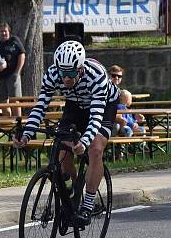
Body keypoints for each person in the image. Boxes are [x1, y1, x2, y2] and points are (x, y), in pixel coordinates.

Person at [14, 40, 120, 225]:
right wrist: (27, 133)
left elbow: (95, 117)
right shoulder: (53, 74)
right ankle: (74, 190)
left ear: (80, 69)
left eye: (71, 73)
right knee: (63, 150)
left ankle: (87, 206)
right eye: (63, 73)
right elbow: (40, 107)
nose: (66, 78)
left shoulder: (97, 76)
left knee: (95, 149)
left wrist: (84, 142)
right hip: (75, 104)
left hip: (102, 105)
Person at [0, 23, 25, 116]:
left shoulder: (14, 40)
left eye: (5, 31)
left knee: (14, 100)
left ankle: (18, 124)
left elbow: (22, 55)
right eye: (1, 31)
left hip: (13, 75)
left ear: (9, 32)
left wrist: (17, 72)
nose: (3, 33)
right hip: (0, 77)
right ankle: (8, 125)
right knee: (3, 101)